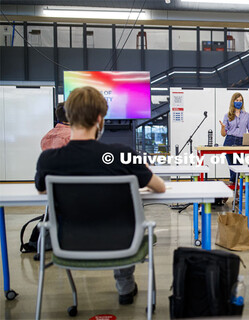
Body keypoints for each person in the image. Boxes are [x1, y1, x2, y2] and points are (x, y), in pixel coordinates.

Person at [35, 86, 166, 305]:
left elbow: (41, 188)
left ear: (69, 117)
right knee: (127, 220)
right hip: (124, 243)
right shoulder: (121, 154)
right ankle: (125, 286)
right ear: (99, 119)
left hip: (68, 244)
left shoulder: (49, 160)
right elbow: (159, 187)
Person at [219, 92, 249, 185]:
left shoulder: (247, 115)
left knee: (239, 168)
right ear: (233, 101)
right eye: (237, 100)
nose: (239, 102)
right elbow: (223, 134)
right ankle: (236, 193)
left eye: (241, 100)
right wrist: (222, 127)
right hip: (229, 141)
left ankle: (235, 192)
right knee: (232, 168)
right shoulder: (227, 115)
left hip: (242, 142)